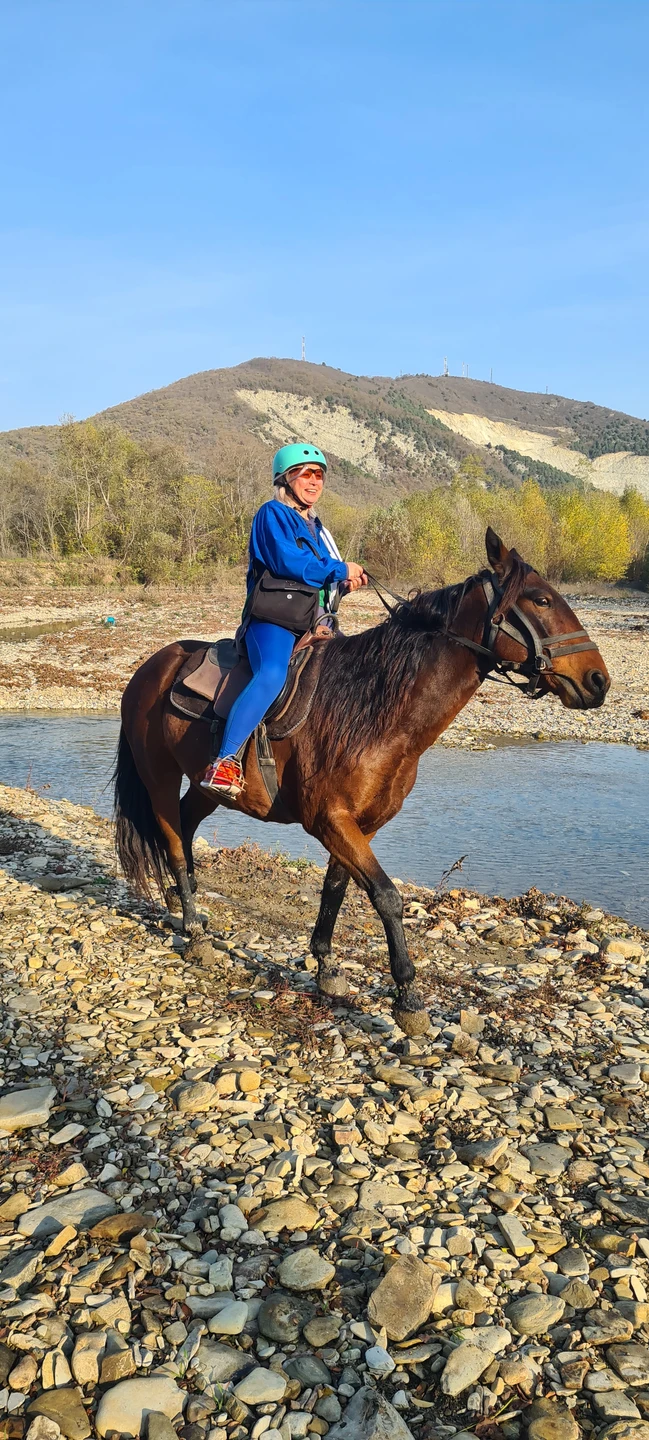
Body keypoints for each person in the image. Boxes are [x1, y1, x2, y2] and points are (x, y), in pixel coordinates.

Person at [200, 443, 367, 797]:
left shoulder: (317, 527)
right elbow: (288, 562)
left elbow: (318, 581)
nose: (315, 481)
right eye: (306, 474)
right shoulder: (272, 514)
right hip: (273, 622)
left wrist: (343, 585)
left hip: (316, 623)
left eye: (319, 475)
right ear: (286, 479)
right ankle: (224, 762)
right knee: (273, 674)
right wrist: (339, 568)